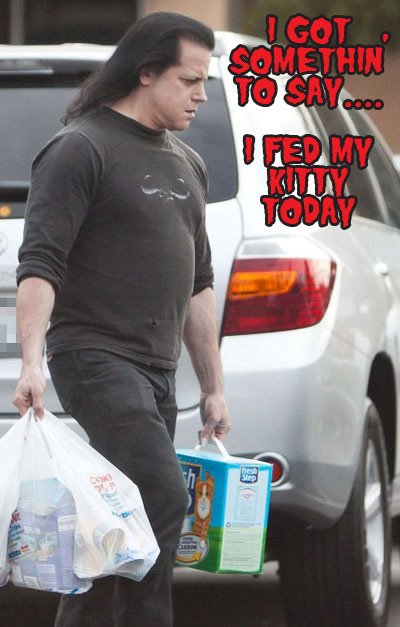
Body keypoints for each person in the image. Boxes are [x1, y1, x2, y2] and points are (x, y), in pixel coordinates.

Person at [13, 12, 231, 627]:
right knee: (160, 494)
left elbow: (199, 283)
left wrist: (213, 385)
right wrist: (31, 362)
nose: (201, 95)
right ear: (146, 73)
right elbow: (40, 264)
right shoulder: (81, 149)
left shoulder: (188, 163)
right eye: (189, 80)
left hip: (156, 370)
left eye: (204, 81)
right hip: (95, 357)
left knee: (121, 516)